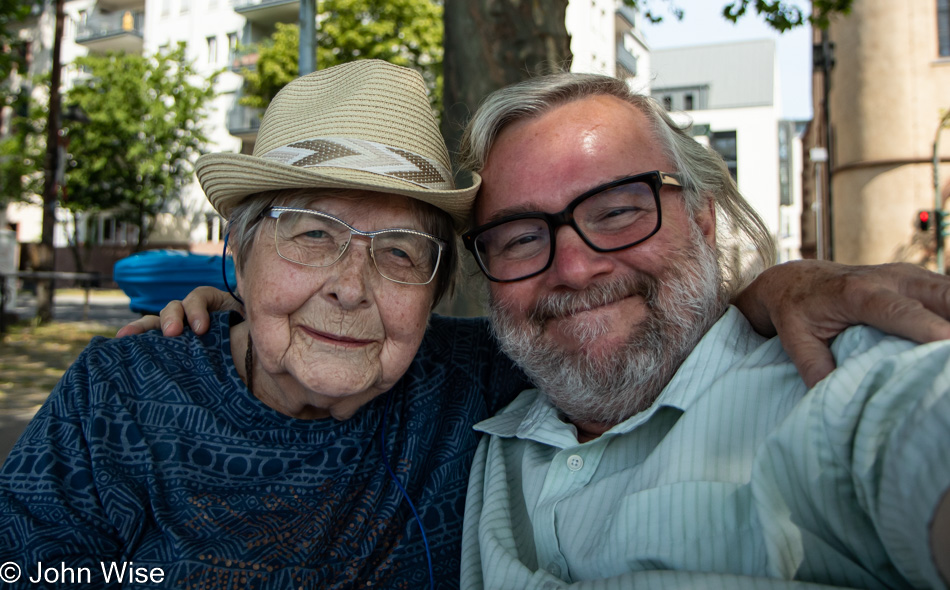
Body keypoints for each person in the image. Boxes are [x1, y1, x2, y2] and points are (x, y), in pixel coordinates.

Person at [0, 60, 528, 589]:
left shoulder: (476, 378)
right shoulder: (117, 397)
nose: (351, 287)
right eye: (314, 235)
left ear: (433, 293)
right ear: (243, 258)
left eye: (398, 251)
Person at [453, 72, 950, 588]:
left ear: (703, 221)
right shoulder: (458, 421)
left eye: (618, 212)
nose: (575, 269)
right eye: (520, 240)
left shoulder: (823, 380)